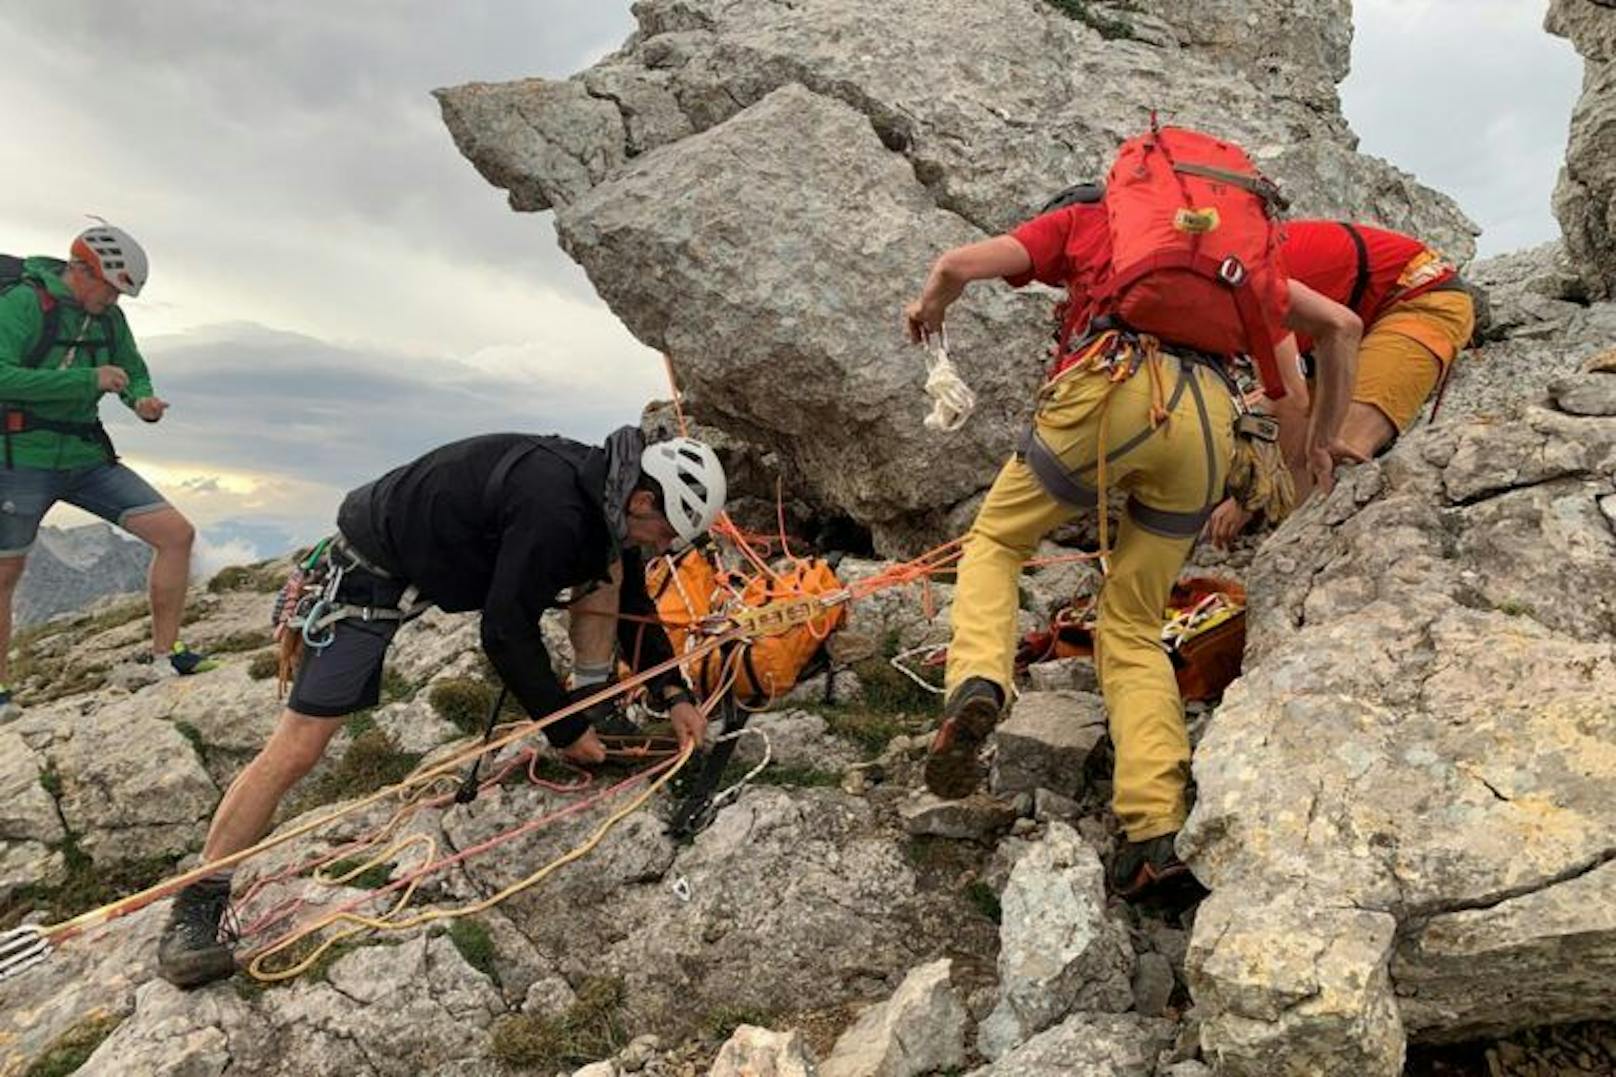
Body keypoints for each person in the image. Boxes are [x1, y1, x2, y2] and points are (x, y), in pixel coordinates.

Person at [904, 197, 1362, 902]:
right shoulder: (1235, 261)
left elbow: (958, 265)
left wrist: (930, 305)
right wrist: (1325, 440)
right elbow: (1340, 326)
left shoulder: (1086, 221)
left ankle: (979, 683)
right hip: (1206, 425)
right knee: (1134, 625)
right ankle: (1155, 832)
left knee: (996, 541)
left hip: (1108, 391)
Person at [156, 427, 727, 988]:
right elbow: (505, 630)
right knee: (299, 747)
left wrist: (671, 692)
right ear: (644, 497)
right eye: (663, 531)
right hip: (368, 574)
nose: (660, 546)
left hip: (431, 561)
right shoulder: (556, 510)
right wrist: (564, 731)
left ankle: (594, 698)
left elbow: (628, 596)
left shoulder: (601, 492)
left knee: (612, 566)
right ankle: (196, 906)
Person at [0, 223, 212, 712]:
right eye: (111, 288)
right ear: (79, 271)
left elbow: (132, 368)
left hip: (84, 456)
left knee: (175, 534)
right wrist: (87, 379)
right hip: (20, 456)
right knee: (6, 571)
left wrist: (142, 400)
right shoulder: (24, 304)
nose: (114, 301)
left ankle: (166, 655)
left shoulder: (109, 321)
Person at [1206, 219, 1475, 546]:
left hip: (1417, 298)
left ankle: (1311, 552)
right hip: (1333, 338)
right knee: (1264, 436)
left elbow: (1287, 397)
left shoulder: (1242, 284)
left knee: (1340, 450)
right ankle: (1291, 536)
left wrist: (1246, 497)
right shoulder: (1220, 274)